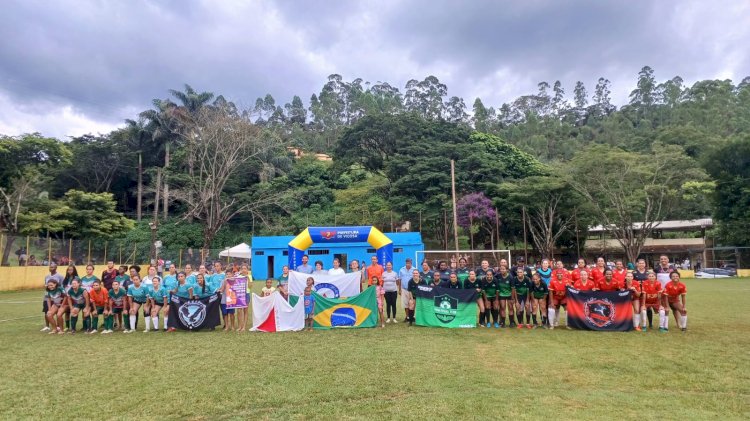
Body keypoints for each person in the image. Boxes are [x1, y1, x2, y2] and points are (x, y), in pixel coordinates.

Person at [41, 263, 65, 332]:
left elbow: (62, 286)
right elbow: (46, 287)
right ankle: (47, 326)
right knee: (47, 310)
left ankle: (58, 326)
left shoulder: (60, 276)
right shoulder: (47, 276)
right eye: (50, 267)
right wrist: (46, 295)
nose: (50, 268)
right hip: (48, 295)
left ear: (56, 268)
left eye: (52, 267)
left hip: (57, 297)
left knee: (58, 312)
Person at [237, 262, 252, 332]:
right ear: (241, 269)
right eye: (242, 268)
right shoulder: (238, 276)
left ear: (247, 269)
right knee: (239, 311)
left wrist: (248, 278)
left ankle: (244, 327)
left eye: (245, 268)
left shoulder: (250, 276)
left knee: (245, 311)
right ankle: (240, 326)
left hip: (246, 294)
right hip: (240, 294)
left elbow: (250, 286)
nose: (244, 270)